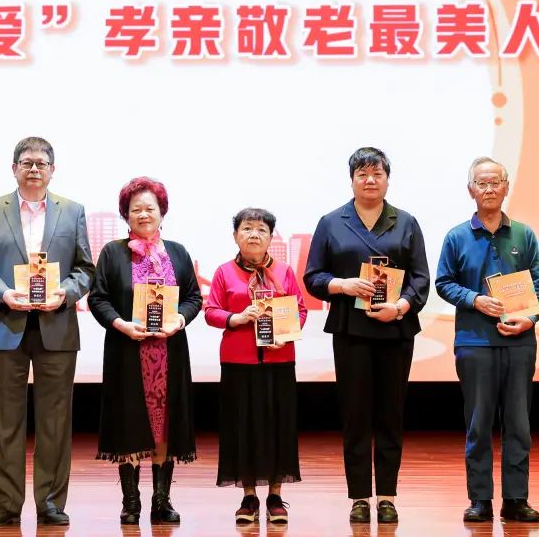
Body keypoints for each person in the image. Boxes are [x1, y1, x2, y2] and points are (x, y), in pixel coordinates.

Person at [0, 137, 95, 527]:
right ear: (14, 169)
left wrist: (64, 294)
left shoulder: (72, 211)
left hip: (57, 327)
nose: (34, 169)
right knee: (4, 421)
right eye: (27, 162)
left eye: (41, 163)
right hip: (7, 324)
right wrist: (3, 294)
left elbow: (85, 269)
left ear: (52, 170)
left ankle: (51, 503)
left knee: (55, 420)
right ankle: (6, 505)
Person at [304, 147, 431, 524]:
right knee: (355, 414)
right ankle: (359, 496)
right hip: (351, 330)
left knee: (391, 414)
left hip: (396, 329)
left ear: (388, 180)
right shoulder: (332, 221)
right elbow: (313, 277)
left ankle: (387, 496)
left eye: (377, 174)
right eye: (362, 174)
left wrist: (401, 306)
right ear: (352, 180)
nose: (370, 180)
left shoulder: (406, 222)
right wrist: (342, 285)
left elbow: (421, 278)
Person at [435, 156, 539, 523]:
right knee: (478, 424)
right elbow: (443, 282)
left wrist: (530, 319)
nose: (489, 189)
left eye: (495, 182)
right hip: (474, 342)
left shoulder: (524, 234)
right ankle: (480, 498)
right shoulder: (456, 236)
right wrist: (474, 299)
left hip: (519, 343)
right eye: (481, 183)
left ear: (506, 187)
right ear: (471, 190)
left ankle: (516, 499)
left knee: (519, 424)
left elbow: (538, 286)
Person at [88, 177, 202, 525]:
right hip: (127, 352)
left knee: (165, 424)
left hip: (169, 353)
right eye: (135, 209)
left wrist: (179, 320)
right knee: (129, 423)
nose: (143, 214)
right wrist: (121, 324)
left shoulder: (178, 253)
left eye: (149, 208)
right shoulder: (112, 252)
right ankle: (131, 502)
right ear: (126, 215)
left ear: (161, 212)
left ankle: (161, 501)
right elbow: (98, 298)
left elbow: (194, 298)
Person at [205, 207, 307, 524]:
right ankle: (248, 497)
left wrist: (285, 335)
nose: (254, 234)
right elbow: (211, 311)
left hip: (279, 360)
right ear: (235, 235)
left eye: (262, 229)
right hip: (238, 361)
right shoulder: (224, 272)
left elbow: (300, 310)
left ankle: (275, 496)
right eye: (247, 228)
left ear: (271, 237)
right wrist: (236, 318)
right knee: (242, 427)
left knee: (279, 426)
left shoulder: (284, 271)